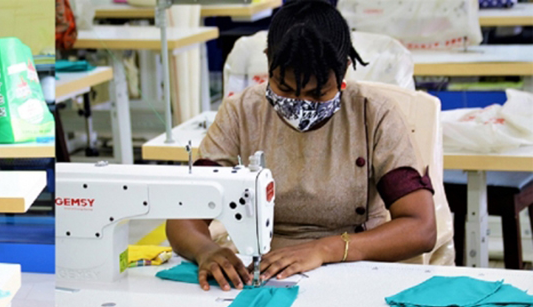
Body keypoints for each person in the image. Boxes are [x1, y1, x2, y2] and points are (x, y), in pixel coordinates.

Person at [166, 0, 436, 291]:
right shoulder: (241, 113)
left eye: (317, 94)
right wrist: (206, 250)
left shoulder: (374, 114)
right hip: (265, 267)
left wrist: (325, 249)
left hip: (353, 263)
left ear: (344, 70)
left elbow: (421, 227)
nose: (299, 105)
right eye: (284, 89)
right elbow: (184, 214)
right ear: (268, 60)